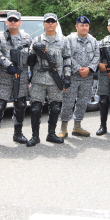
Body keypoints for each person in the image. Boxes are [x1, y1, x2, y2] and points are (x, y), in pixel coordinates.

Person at [0, 11, 33, 148]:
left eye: (15, 20)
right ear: (6, 22)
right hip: (4, 77)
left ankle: (18, 133)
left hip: (21, 76)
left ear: (20, 22)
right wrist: (8, 64)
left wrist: (31, 57)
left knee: (21, 106)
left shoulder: (26, 37)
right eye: (10, 20)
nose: (13, 22)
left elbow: (31, 54)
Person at [26, 13, 72, 146]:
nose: (50, 23)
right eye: (48, 21)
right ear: (44, 24)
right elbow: (30, 61)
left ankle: (51, 134)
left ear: (56, 24)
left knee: (56, 107)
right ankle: (35, 137)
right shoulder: (37, 39)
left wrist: (67, 76)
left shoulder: (63, 40)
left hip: (55, 79)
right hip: (39, 79)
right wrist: (33, 51)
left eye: (53, 21)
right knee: (35, 108)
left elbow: (67, 59)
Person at [59, 16, 99, 139]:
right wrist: (78, 68)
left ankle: (77, 126)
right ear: (76, 26)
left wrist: (89, 68)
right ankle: (63, 127)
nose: (84, 27)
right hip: (72, 76)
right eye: (81, 25)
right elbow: (66, 55)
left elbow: (97, 56)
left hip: (87, 77)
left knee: (82, 102)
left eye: (86, 25)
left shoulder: (93, 40)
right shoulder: (69, 39)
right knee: (68, 102)